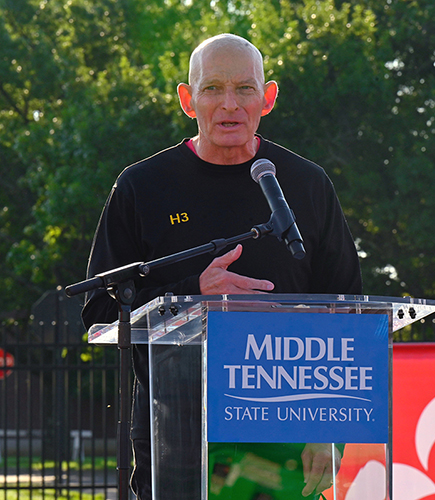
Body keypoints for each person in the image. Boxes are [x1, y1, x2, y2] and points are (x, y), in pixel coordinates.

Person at [82, 34, 362, 500]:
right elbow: (100, 315)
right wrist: (194, 293)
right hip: (177, 436)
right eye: (212, 88)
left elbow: (346, 310)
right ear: (187, 100)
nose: (229, 104)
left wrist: (329, 432)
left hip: (285, 435)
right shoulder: (141, 187)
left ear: (267, 98)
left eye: (244, 89)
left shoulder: (306, 185)